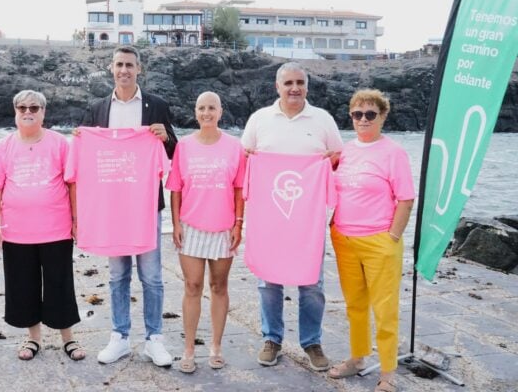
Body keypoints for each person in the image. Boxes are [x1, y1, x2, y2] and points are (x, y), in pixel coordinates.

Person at [241, 61, 343, 371]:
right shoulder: (260, 120)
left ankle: (312, 342)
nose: (294, 88)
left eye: (299, 82)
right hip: (270, 217)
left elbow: (339, 159)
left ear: (307, 87)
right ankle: (272, 339)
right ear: (278, 87)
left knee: (311, 284)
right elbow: (245, 161)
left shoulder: (323, 120)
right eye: (288, 83)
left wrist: (329, 161)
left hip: (307, 220)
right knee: (269, 282)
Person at [81, 45, 177, 367]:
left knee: (151, 276)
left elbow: (175, 153)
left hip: (147, 205)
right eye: (119, 64)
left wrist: (165, 138)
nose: (124, 70)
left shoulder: (157, 106)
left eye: (130, 65)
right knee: (117, 274)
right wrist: (79, 138)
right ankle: (119, 336)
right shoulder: (97, 108)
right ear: (111, 68)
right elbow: (88, 157)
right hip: (112, 207)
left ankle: (154, 339)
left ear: (139, 69)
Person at [0, 90, 84, 362]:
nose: (27, 112)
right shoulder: (3, 146)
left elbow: (73, 183)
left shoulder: (59, 143)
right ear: (15, 112)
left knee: (60, 284)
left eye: (33, 108)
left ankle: (68, 338)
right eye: (22, 108)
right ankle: (33, 338)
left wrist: (78, 221)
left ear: (43, 112)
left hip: (57, 229)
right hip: (16, 232)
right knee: (24, 286)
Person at [327, 89, 415, 392]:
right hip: (343, 237)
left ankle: (388, 372)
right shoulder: (346, 150)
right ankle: (357, 358)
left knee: (385, 308)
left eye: (370, 114)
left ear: (382, 116)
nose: (363, 120)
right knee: (355, 305)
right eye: (357, 114)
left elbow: (406, 198)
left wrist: (392, 236)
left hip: (379, 240)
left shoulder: (394, 153)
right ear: (351, 116)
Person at [165, 92, 245, 373]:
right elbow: (175, 188)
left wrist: (238, 224)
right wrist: (175, 224)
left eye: (212, 108)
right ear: (195, 112)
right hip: (190, 227)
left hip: (224, 228)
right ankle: (188, 349)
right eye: (201, 108)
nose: (206, 113)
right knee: (192, 286)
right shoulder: (184, 146)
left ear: (220, 112)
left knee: (219, 287)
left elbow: (239, 189)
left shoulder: (235, 147)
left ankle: (216, 346)